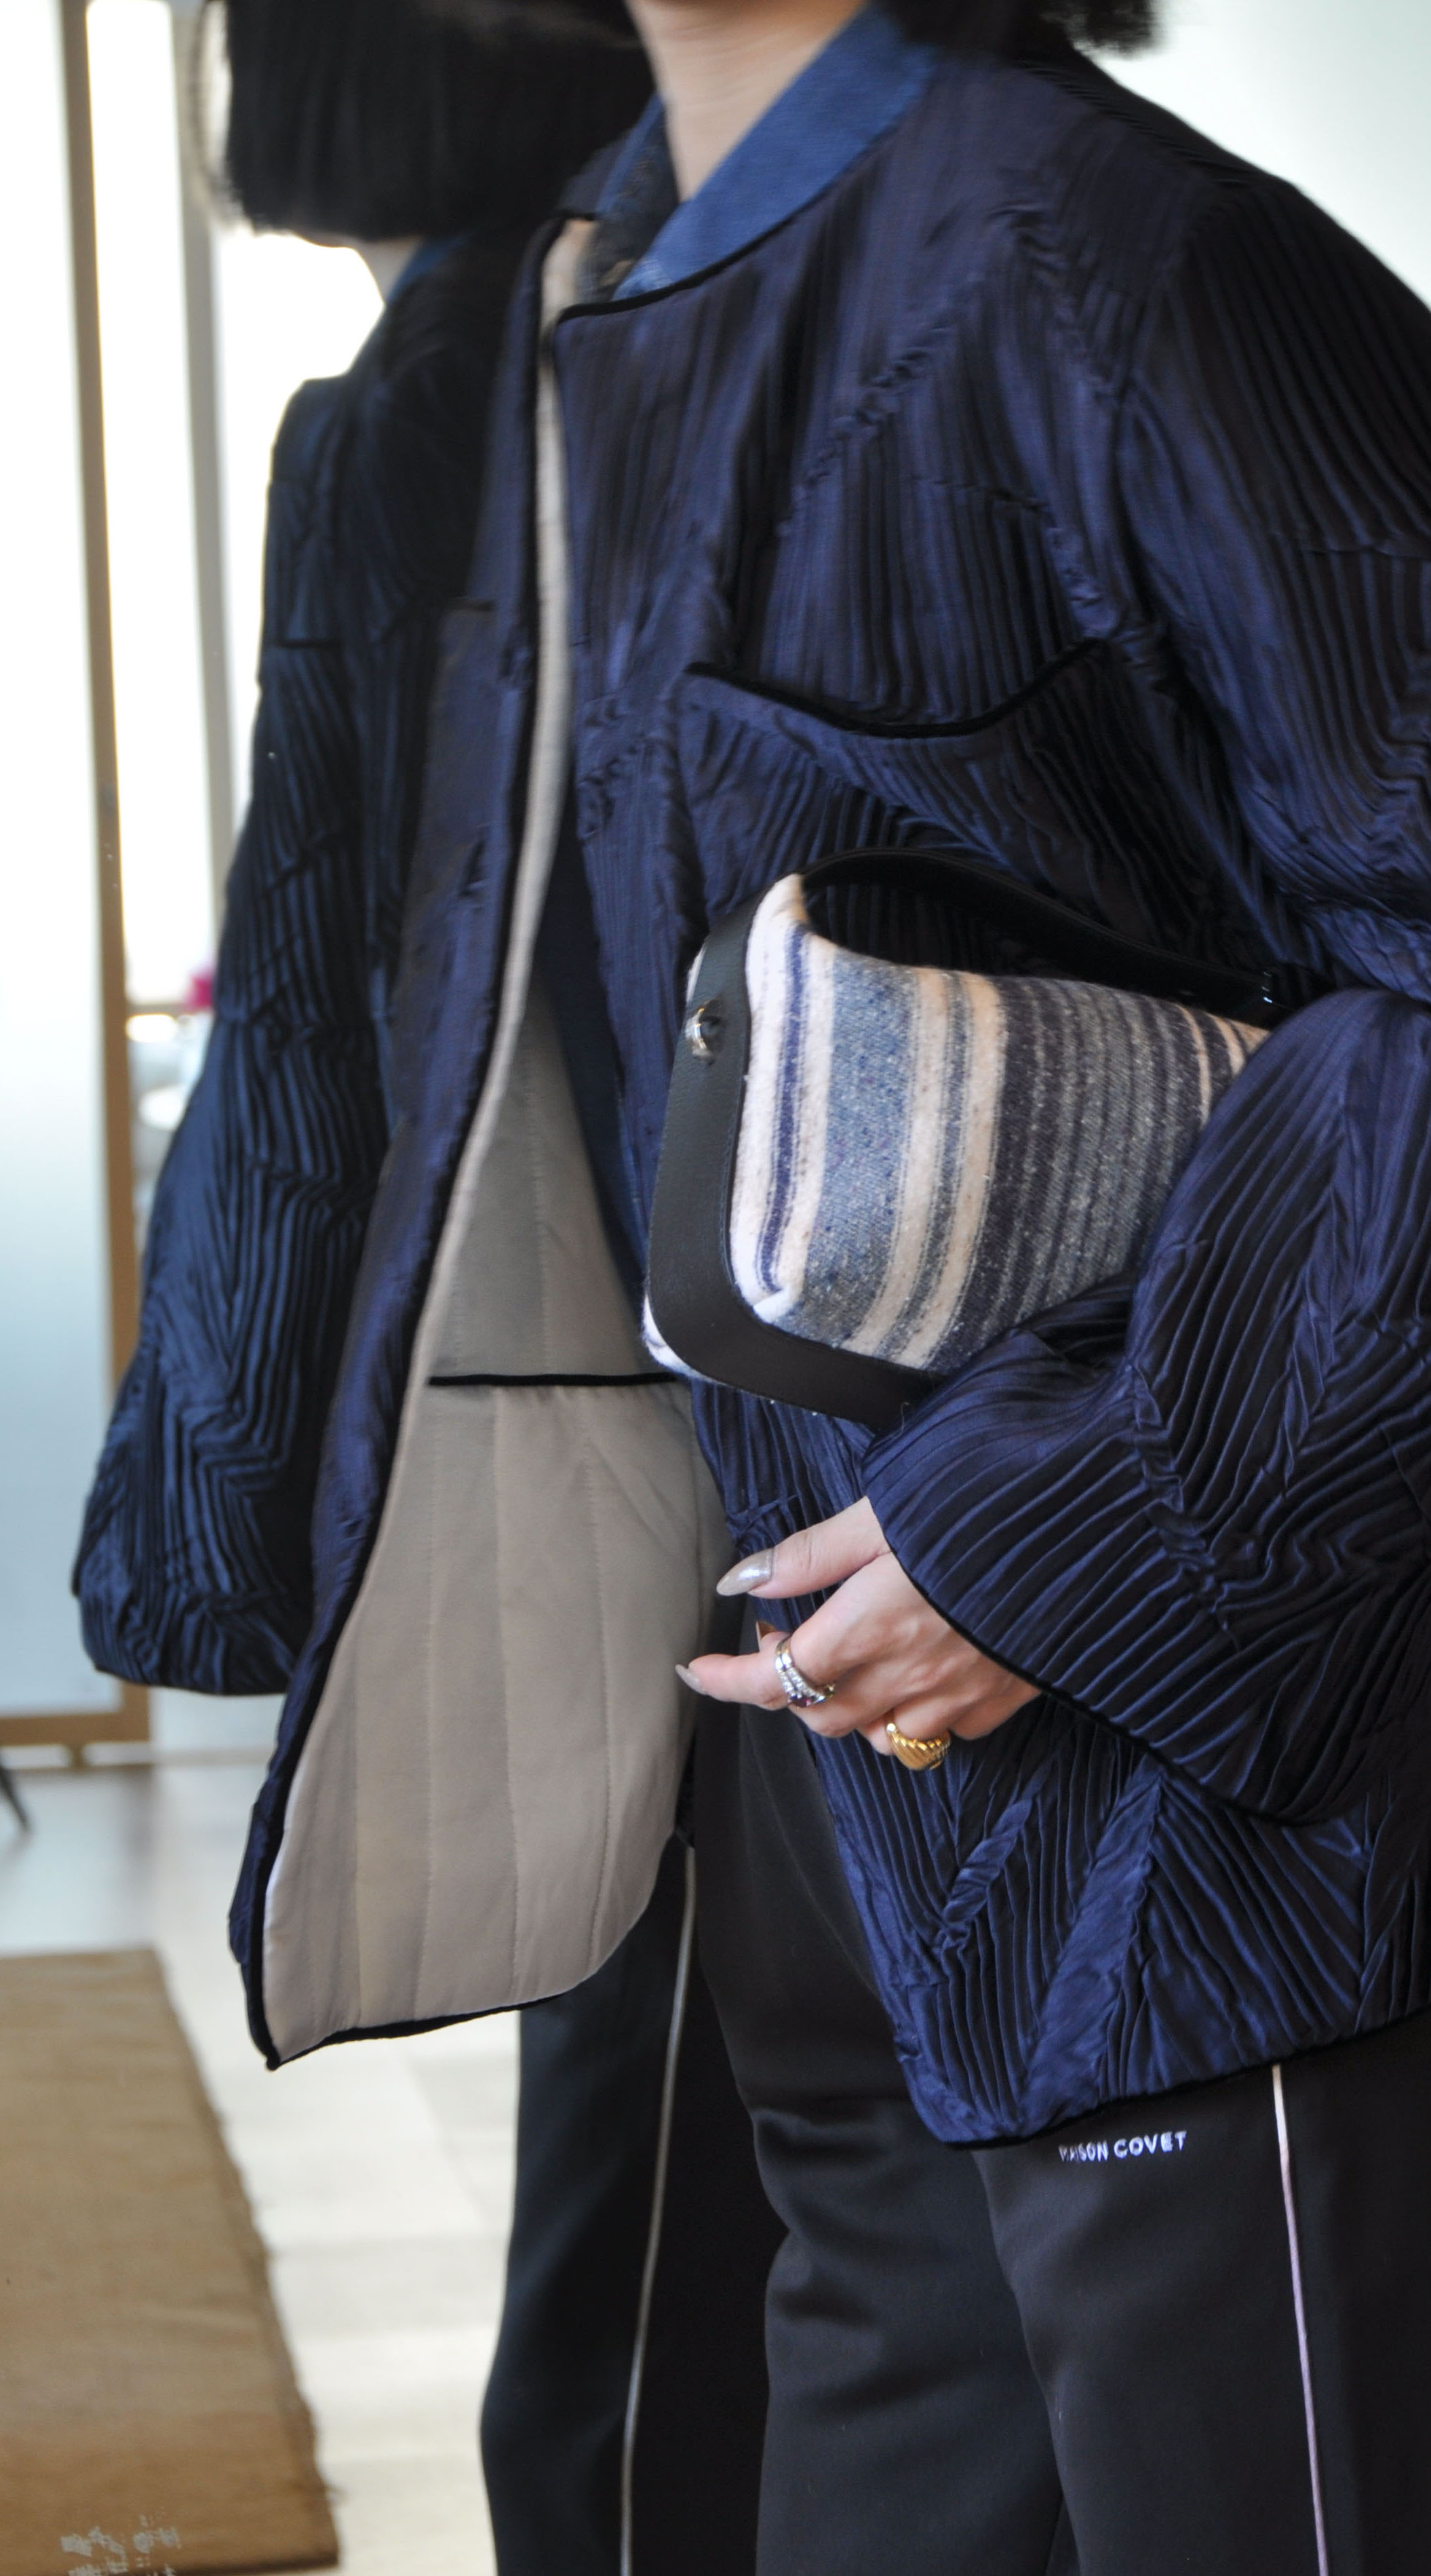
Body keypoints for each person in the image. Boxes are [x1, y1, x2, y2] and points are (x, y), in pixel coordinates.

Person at [222, 0, 1431, 2569]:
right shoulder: (599, 304)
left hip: (1240, 1829)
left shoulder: (1128, 266)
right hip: (837, 1806)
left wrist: (1060, 1535)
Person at [73, 7, 777, 2569]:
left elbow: (323, 999)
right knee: (720, 2137)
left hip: (607, 1360)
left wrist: (239, 1464)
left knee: (656, 2140)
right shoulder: (672, 296)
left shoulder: (465, 382)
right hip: (763, 1334)